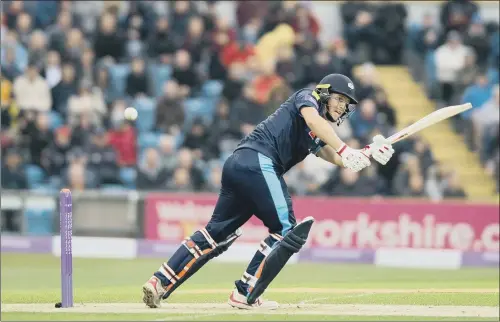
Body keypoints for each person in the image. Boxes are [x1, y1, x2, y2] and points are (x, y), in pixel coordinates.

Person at [141, 74, 395, 309]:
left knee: (215, 234)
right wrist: (345, 148)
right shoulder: (307, 98)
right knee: (286, 230)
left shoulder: (317, 132)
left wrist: (368, 153)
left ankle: (159, 281)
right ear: (325, 93)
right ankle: (246, 291)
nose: (341, 106)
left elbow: (338, 157)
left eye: (346, 103)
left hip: (238, 165)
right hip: (258, 162)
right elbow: (317, 125)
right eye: (339, 99)